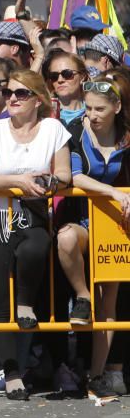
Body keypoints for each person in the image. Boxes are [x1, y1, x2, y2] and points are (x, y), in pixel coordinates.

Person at [0, 69, 71, 400]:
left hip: (33, 213)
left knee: (36, 247)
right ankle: (12, 373)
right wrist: (20, 182)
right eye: (9, 91)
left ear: (38, 100)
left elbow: (65, 175)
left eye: (21, 93)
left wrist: (49, 182)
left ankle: (26, 303)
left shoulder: (53, 129)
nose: (12, 97)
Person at [55, 74, 130, 398]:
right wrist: (112, 191)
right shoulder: (75, 133)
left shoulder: (127, 138)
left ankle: (97, 375)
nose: (92, 115)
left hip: (115, 226)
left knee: (109, 300)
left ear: (116, 107)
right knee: (66, 239)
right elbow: (74, 176)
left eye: (100, 109)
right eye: (88, 108)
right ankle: (81, 294)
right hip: (83, 220)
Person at [43, 49, 87, 124]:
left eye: (67, 74)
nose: (60, 80)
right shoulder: (43, 113)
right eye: (54, 76)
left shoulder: (94, 111)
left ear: (82, 77)